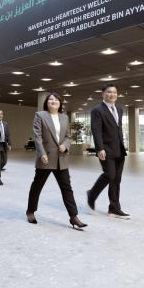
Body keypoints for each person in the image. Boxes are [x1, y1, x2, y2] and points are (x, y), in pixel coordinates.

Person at [26, 93, 87, 229]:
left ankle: (73, 217)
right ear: (46, 103)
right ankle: (30, 211)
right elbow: (37, 136)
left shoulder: (64, 117)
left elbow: (68, 137)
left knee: (67, 188)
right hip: (46, 158)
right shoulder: (40, 115)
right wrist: (41, 153)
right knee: (37, 186)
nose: (53, 101)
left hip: (61, 158)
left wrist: (66, 145)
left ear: (60, 103)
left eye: (56, 99)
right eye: (50, 99)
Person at [86, 84, 130, 219]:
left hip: (119, 149)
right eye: (109, 92)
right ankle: (91, 194)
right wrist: (99, 148)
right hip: (106, 149)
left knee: (117, 179)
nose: (112, 94)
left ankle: (114, 208)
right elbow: (96, 130)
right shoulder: (97, 110)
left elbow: (118, 129)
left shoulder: (119, 109)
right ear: (103, 94)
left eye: (115, 92)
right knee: (110, 175)